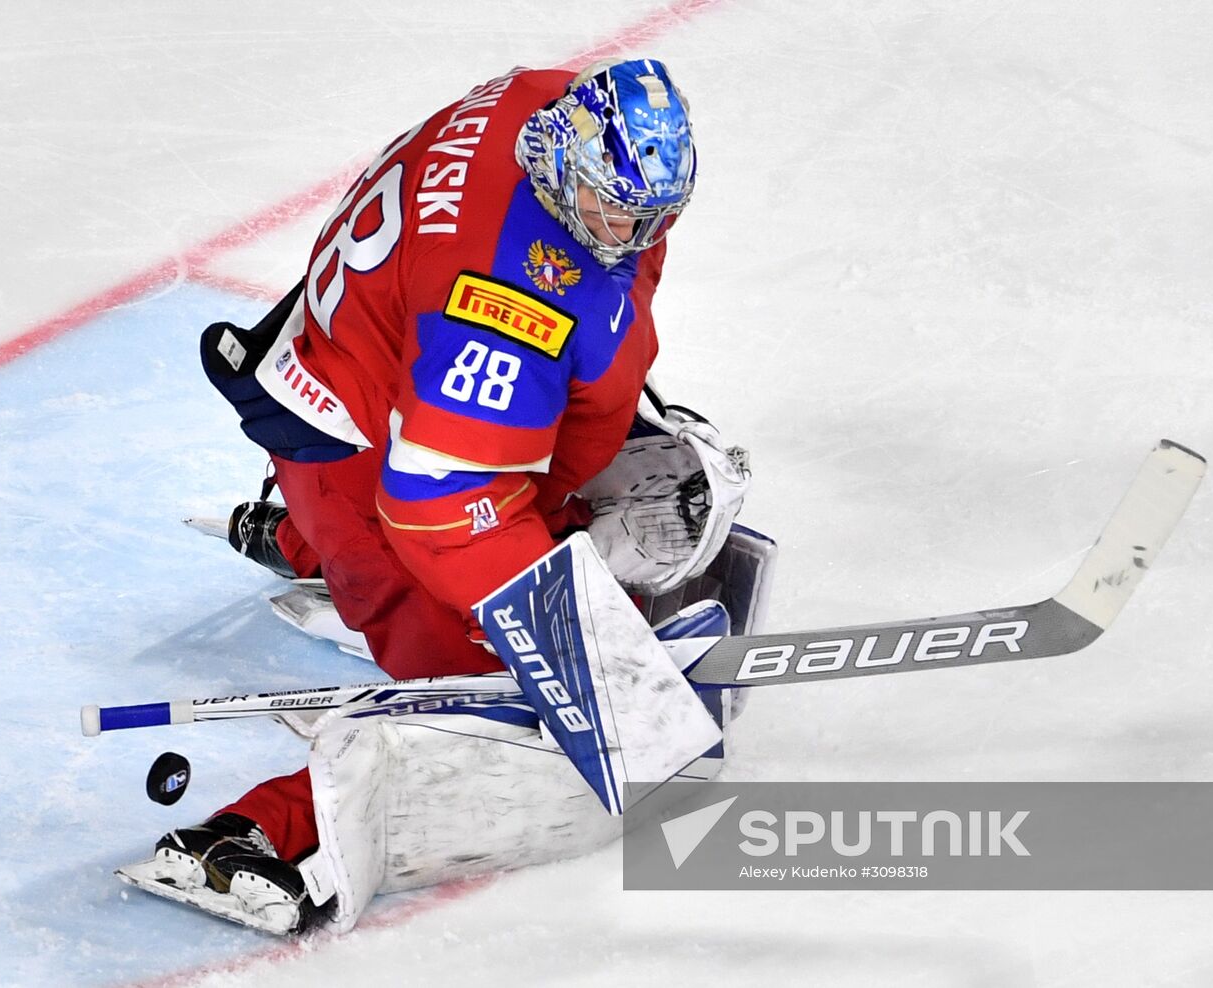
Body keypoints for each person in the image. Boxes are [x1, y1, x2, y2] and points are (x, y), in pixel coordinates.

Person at [121, 58, 755, 936]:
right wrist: (576, 645)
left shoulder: (545, 103)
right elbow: (436, 510)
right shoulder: (496, 305)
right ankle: (260, 835)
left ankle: (307, 543)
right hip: (370, 475)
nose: (634, 231)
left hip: (375, 388)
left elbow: (566, 311)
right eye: (618, 209)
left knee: (611, 483)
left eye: (654, 211)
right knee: (490, 705)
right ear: (566, 167)